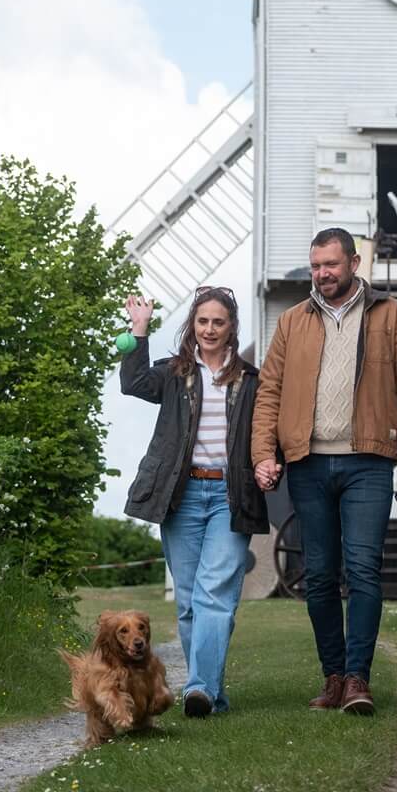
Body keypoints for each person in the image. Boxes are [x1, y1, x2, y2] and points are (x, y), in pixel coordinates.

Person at [250, 227, 397, 716]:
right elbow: (269, 391)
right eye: (315, 266)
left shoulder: (390, 315)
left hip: (368, 461)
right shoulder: (291, 322)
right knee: (320, 576)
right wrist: (263, 453)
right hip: (307, 462)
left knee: (363, 569)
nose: (321, 274)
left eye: (330, 264)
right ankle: (333, 678)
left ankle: (358, 679)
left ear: (354, 263)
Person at [119, 285, 271, 718]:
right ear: (193, 325)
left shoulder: (251, 381)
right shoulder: (173, 373)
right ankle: (211, 695)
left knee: (215, 596)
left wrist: (268, 462)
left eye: (218, 322)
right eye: (202, 321)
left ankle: (197, 686)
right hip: (181, 495)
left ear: (231, 328)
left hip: (230, 494)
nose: (209, 329)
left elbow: (266, 432)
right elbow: (132, 383)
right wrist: (140, 330)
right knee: (188, 601)